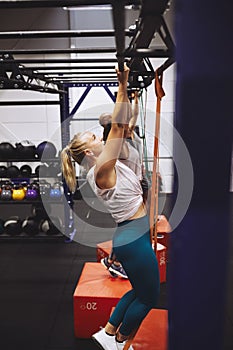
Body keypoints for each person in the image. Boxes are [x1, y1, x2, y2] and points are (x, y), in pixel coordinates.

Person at [60, 64, 160, 350]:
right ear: (90, 153)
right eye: (93, 138)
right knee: (149, 298)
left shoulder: (105, 165)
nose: (99, 136)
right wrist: (123, 82)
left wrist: (131, 96)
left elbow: (124, 125)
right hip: (132, 238)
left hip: (132, 234)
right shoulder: (103, 171)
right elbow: (117, 126)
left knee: (138, 290)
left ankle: (107, 331)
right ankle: (118, 340)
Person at [98, 91, 147, 279]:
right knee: (130, 228)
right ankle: (118, 263)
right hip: (129, 190)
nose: (129, 126)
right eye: (125, 126)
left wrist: (134, 99)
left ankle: (112, 259)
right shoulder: (120, 146)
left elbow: (132, 116)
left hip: (137, 185)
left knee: (127, 227)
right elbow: (123, 121)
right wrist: (123, 90)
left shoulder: (130, 137)